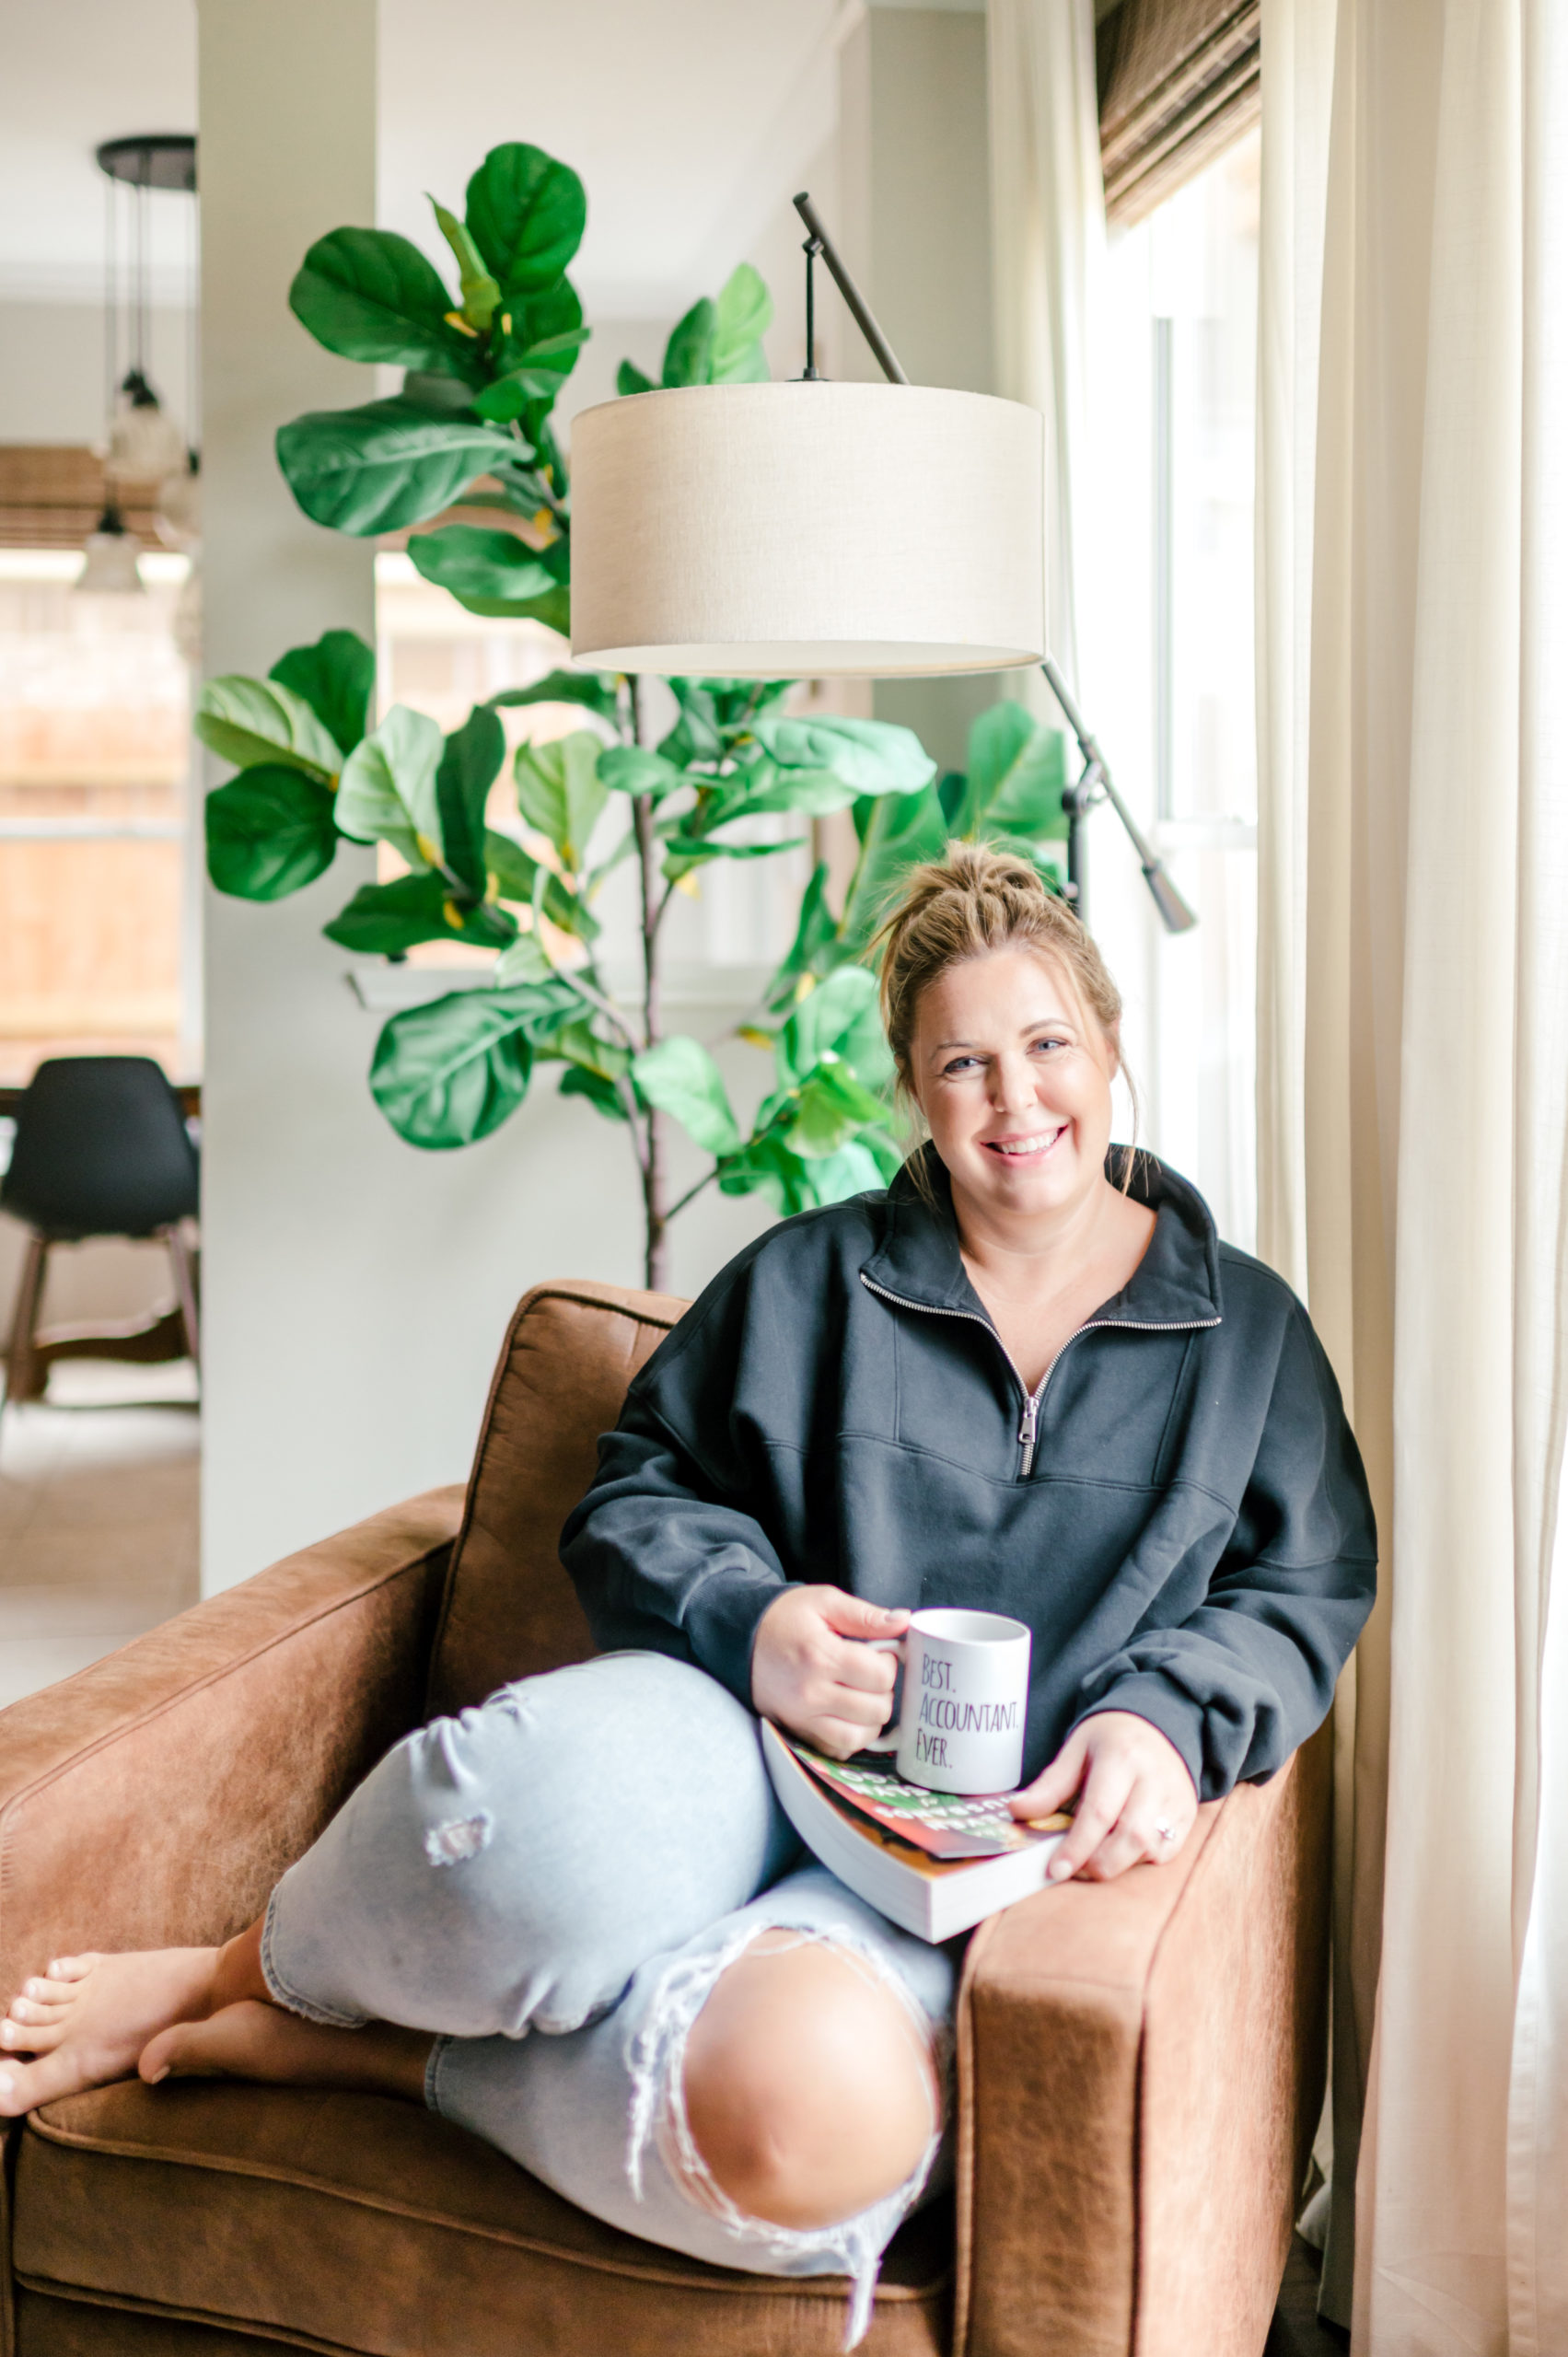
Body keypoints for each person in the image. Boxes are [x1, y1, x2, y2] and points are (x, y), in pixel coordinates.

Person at [0, 845, 1376, 2346]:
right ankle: (224, 1971)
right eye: (963, 1061)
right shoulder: (805, 1284)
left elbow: (1304, 1584)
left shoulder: (1248, 1337)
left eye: (1048, 1046)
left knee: (807, 2129)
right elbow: (634, 1492)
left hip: (975, 1858)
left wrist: (1171, 1722)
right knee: (506, 1826)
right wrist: (756, 1624)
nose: (1015, 1099)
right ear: (915, 1088)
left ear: (1111, 1049)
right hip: (739, 1744)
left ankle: (375, 2058)